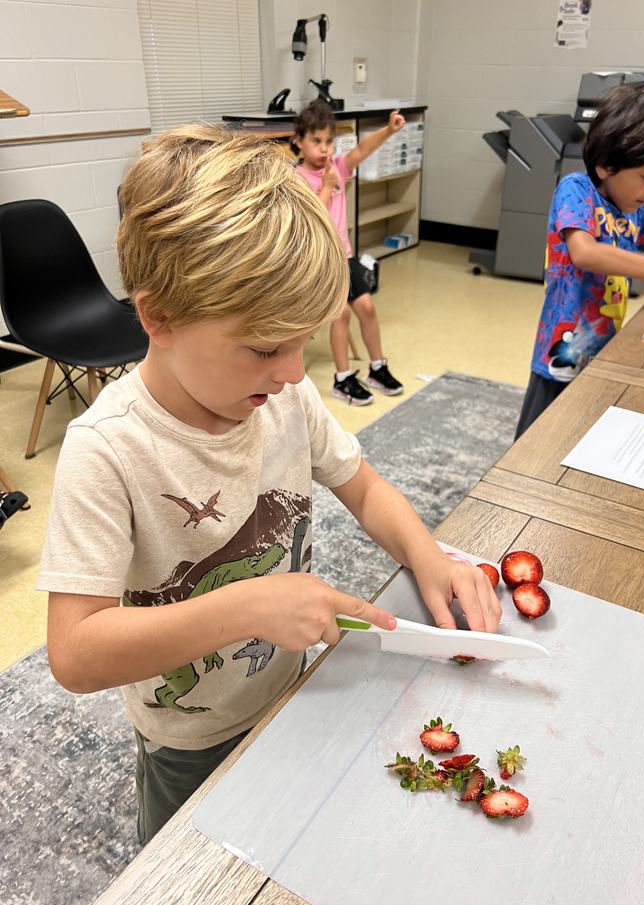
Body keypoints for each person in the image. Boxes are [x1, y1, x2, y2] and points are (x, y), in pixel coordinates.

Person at [37, 125, 501, 846]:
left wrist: (430, 556)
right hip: (190, 741)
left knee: (296, 839)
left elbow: (368, 489)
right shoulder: (108, 450)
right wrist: (246, 604)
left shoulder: (282, 396)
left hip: (293, 687)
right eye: (264, 347)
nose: (293, 371)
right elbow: (75, 651)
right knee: (195, 872)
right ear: (158, 315)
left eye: (302, 341)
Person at [514, 85, 644, 439]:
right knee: (536, 438)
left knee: (579, 432)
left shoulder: (636, 212)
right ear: (605, 166)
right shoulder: (576, 190)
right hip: (561, 352)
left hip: (603, 345)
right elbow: (584, 252)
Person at [292, 100, 405, 405]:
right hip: (317, 263)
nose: (324, 149)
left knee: (366, 307)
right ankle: (342, 379)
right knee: (340, 313)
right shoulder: (298, 179)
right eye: (316, 141)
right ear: (299, 142)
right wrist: (327, 187)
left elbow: (361, 151)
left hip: (344, 256)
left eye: (329, 141)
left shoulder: (337, 167)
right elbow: (313, 218)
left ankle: (377, 368)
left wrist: (388, 131)